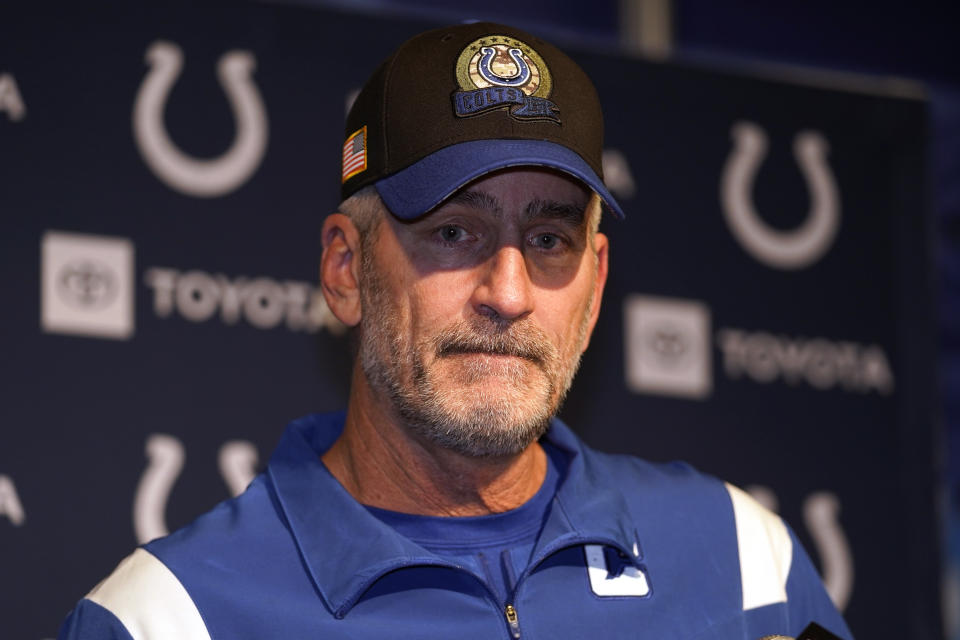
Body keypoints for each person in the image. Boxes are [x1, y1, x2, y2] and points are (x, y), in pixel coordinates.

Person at [58, 21, 852, 640]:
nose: (507, 295)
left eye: (549, 241)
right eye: (452, 233)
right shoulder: (166, 619)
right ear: (345, 268)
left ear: (596, 281)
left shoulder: (747, 566)